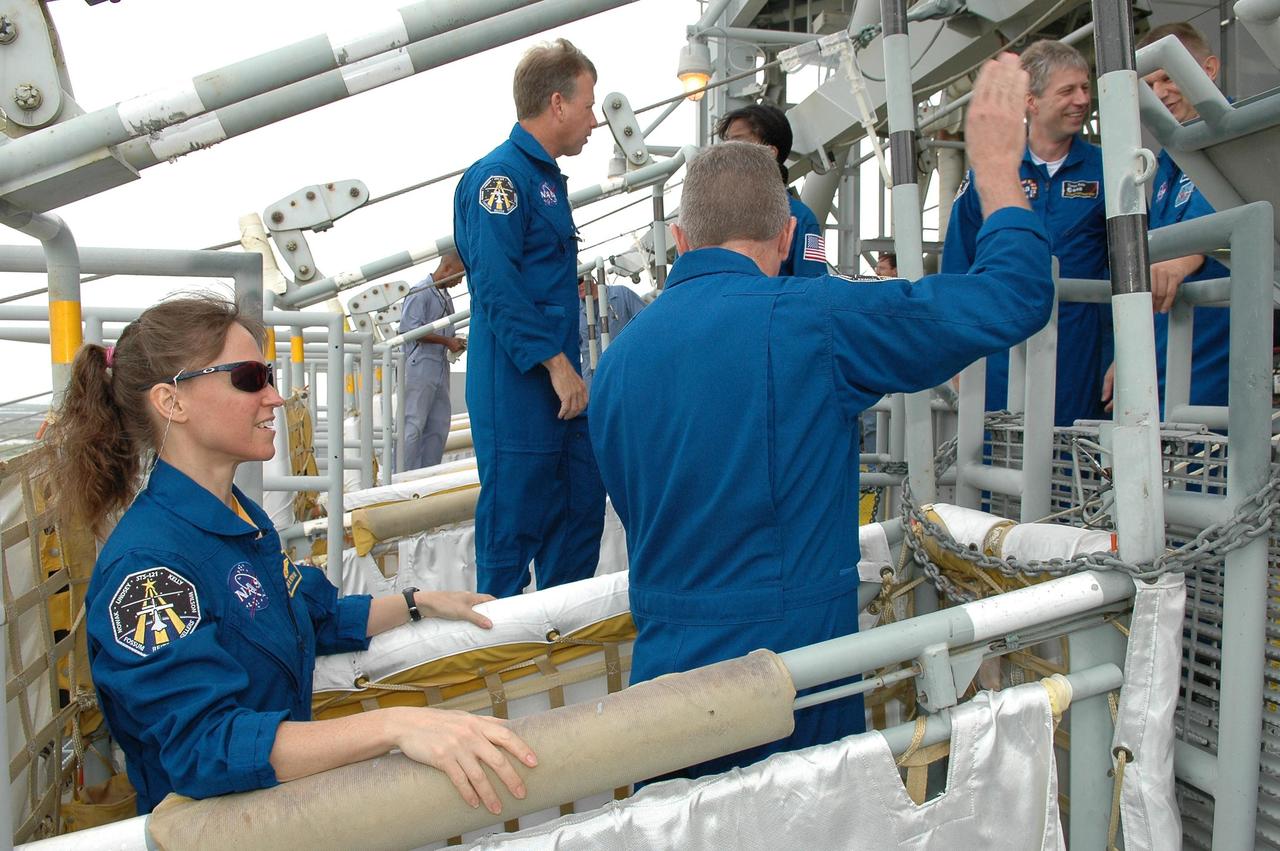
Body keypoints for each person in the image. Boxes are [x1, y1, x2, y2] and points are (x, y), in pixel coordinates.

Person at [589, 54, 1053, 778]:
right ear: (785, 240)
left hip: (666, 688)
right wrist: (996, 169)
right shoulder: (814, 319)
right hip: (794, 684)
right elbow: (1013, 297)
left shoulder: (616, 364)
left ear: (680, 240)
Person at [45, 295, 537, 816]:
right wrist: (395, 725)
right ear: (172, 402)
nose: (276, 398)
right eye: (250, 378)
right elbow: (206, 746)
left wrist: (422, 602)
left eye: (270, 375)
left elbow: (306, 613)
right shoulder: (147, 570)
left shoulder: (240, 516)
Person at [452, 39, 606, 599]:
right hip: (521, 387)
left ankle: (561, 654)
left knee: (579, 509)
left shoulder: (541, 178)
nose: (595, 120)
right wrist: (557, 363)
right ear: (558, 104)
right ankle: (504, 669)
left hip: (556, 388)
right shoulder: (500, 179)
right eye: (589, 105)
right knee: (513, 531)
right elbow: (496, 284)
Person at [943, 39, 1109, 426]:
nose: (1082, 99)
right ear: (1031, 102)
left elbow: (1128, 270)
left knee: (1073, 468)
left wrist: (1123, 355)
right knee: (1000, 464)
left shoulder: (1107, 169)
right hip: (1002, 351)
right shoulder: (991, 170)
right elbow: (958, 263)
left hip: (1080, 354)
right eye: (1067, 90)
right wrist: (955, 348)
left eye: (1085, 87)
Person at [1101, 22, 1230, 412]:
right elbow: (1155, 263)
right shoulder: (1168, 163)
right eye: (1150, 84)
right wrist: (1129, 356)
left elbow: (1226, 216)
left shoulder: (1237, 140)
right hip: (1166, 352)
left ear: (1208, 69)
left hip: (1217, 351)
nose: (1160, 93)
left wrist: (1182, 261)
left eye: (1169, 78)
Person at [716, 103, 827, 277]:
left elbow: (813, 290)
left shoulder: (801, 219)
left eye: (737, 141)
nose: (725, 151)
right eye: (726, 142)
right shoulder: (707, 213)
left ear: (770, 152)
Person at [399, 253, 466, 472]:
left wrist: (454, 343)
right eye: (459, 275)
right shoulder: (420, 292)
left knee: (438, 424)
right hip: (419, 365)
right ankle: (402, 473)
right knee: (413, 424)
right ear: (447, 268)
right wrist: (447, 341)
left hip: (439, 365)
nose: (460, 282)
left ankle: (427, 472)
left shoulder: (444, 296)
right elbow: (410, 330)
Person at [578, 275, 645, 390]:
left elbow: (646, 324)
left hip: (626, 374)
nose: (577, 286)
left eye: (579, 281)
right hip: (592, 383)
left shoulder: (622, 294)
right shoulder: (574, 312)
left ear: (592, 278)